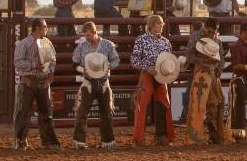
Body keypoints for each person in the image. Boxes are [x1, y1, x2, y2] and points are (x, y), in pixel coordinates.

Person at [71, 21, 121, 149]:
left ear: (94, 32)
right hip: (88, 81)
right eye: (85, 36)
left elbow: (116, 60)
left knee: (106, 112)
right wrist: (83, 70)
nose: (86, 38)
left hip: (103, 81)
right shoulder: (82, 46)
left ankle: (107, 141)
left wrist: (109, 66)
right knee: (82, 112)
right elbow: (74, 63)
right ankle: (80, 141)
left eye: (88, 35)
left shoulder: (108, 45)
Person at [12, 18, 60, 150]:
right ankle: (21, 140)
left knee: (46, 113)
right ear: (38, 28)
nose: (47, 29)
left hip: (43, 81)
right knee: (24, 112)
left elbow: (53, 59)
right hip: (28, 81)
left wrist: (51, 71)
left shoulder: (47, 42)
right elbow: (17, 62)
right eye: (45, 27)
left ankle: (47, 141)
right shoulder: (24, 44)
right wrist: (34, 65)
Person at [131, 15, 176, 146]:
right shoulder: (141, 40)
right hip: (147, 74)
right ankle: (139, 139)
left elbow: (169, 60)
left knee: (163, 105)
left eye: (162, 23)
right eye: (159, 23)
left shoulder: (166, 42)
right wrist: (147, 68)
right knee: (142, 105)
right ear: (151, 25)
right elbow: (134, 60)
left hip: (161, 76)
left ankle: (162, 136)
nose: (162, 26)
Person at [184, 17, 224, 144]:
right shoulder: (195, 37)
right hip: (200, 71)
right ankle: (195, 136)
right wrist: (205, 60)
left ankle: (213, 133)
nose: (212, 34)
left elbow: (221, 55)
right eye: (210, 31)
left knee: (213, 103)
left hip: (213, 72)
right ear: (205, 27)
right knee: (198, 103)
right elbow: (189, 56)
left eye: (214, 32)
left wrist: (220, 69)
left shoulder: (217, 37)